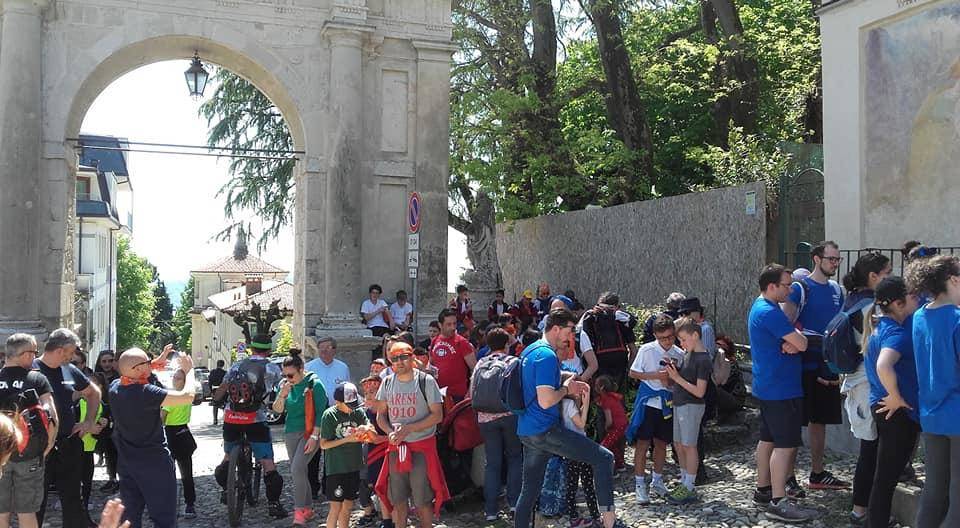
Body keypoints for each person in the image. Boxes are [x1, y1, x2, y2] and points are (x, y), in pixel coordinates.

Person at [514, 308, 625, 528]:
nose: (571, 337)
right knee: (603, 458)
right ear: (556, 329)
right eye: (570, 331)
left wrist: (566, 378)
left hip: (527, 430)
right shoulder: (547, 356)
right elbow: (546, 400)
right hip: (546, 430)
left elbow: (532, 383)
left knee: (529, 489)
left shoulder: (531, 350)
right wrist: (567, 389)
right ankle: (610, 523)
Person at [748, 265, 814, 523]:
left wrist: (793, 342)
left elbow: (794, 343)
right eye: (786, 284)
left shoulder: (761, 306)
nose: (791, 288)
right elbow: (803, 343)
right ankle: (778, 501)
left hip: (768, 385)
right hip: (781, 388)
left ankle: (763, 489)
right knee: (785, 446)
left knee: (768, 439)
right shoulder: (770, 312)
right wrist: (797, 341)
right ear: (772, 286)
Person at [781, 241, 848, 491]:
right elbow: (786, 323)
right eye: (832, 259)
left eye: (838, 259)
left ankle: (817, 473)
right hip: (801, 367)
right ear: (817, 259)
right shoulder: (800, 288)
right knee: (796, 423)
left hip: (826, 366)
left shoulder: (837, 290)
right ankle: (788, 478)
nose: (835, 263)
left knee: (820, 421)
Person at [109, 348, 197, 528]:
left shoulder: (115, 387)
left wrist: (154, 363)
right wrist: (189, 372)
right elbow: (186, 397)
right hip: (155, 463)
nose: (151, 366)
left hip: (127, 464)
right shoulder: (146, 392)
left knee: (129, 519)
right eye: (147, 364)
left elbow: (132, 371)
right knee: (164, 519)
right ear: (138, 369)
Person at [859, 277, 920, 528]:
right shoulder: (895, 333)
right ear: (898, 303)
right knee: (885, 480)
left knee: (884, 477)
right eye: (913, 296)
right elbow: (884, 364)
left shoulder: (881, 326)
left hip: (884, 410)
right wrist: (896, 396)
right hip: (894, 413)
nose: (917, 298)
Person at [905, 255, 960, 528]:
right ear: (954, 280)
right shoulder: (957, 319)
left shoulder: (919, 316)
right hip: (957, 414)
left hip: (930, 414)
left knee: (934, 490)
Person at [212, 335, 288, 519]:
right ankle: (274, 504)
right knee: (267, 463)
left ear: (251, 348)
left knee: (228, 457)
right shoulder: (272, 368)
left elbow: (223, 387)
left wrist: (216, 401)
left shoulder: (237, 365)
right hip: (256, 418)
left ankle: (226, 488)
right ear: (269, 350)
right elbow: (280, 387)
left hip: (232, 418)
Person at [374, 343, 449, 528]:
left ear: (412, 357)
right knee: (398, 501)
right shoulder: (387, 382)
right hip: (396, 449)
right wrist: (390, 432)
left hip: (421, 448)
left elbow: (437, 415)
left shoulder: (426, 381)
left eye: (403, 357)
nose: (399, 362)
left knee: (422, 501)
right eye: (394, 358)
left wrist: (409, 428)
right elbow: (380, 415)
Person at [842, 253, 892, 522]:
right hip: (866, 382)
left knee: (870, 450)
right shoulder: (868, 307)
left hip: (858, 382)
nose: (891, 278)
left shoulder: (851, 298)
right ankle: (860, 510)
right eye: (887, 273)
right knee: (870, 451)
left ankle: (864, 508)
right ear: (873, 277)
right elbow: (878, 346)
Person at [35, 328, 101, 528]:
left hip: (68, 442)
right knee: (36, 501)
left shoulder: (70, 370)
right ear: (61, 349)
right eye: (71, 352)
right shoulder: (31, 369)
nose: (73, 356)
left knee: (73, 498)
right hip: (39, 446)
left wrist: (89, 421)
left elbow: (94, 392)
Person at [0, 334, 58, 528]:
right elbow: (51, 415)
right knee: (27, 512)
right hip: (30, 454)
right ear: (25, 354)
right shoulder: (36, 379)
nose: (35, 357)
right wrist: (47, 446)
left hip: (0, 455)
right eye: (34, 353)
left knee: (1, 513)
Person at [627, 314, 683, 503]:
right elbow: (633, 372)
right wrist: (655, 376)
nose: (667, 341)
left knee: (661, 443)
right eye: (662, 338)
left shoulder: (679, 353)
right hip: (649, 401)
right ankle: (640, 484)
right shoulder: (647, 350)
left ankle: (657, 480)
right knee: (643, 443)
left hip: (667, 403)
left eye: (670, 337)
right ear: (655, 336)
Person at [470, 328, 522, 521]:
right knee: (515, 457)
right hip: (510, 416)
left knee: (492, 463)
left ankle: (491, 510)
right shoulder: (513, 362)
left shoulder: (481, 363)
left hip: (485, 418)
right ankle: (514, 503)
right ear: (507, 344)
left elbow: (472, 391)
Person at [272, 350, 327, 525]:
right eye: (285, 375)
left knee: (296, 469)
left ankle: (299, 512)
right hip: (291, 432)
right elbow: (277, 410)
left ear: (301, 369)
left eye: (291, 375)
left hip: (310, 432)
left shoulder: (314, 384)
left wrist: (314, 436)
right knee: (300, 471)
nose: (288, 378)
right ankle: (308, 508)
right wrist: (282, 394)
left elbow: (321, 412)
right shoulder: (285, 385)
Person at [663, 317, 713, 504]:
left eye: (683, 339)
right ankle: (685, 480)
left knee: (689, 445)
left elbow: (700, 391)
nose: (681, 344)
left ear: (695, 335)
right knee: (678, 444)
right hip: (680, 403)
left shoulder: (703, 358)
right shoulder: (687, 354)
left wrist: (676, 377)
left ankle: (690, 485)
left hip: (692, 405)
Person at [320, 383, 371, 528]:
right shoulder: (329, 415)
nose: (352, 408)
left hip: (354, 466)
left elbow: (369, 426)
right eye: (349, 405)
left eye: (354, 404)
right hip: (336, 468)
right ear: (337, 402)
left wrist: (366, 428)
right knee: (336, 507)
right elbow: (323, 444)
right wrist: (346, 439)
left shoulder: (357, 412)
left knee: (348, 506)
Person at [160, 369, 198, 519]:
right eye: (174, 377)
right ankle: (190, 504)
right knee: (186, 473)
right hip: (184, 432)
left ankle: (169, 506)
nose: (175, 380)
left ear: (184, 381)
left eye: (178, 378)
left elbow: (162, 417)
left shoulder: (173, 398)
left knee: (169, 474)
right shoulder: (187, 396)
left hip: (172, 433)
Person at [579, 292, 637, 390]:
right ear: (617, 306)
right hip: (620, 363)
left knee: (600, 397)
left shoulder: (592, 318)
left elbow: (582, 342)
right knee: (618, 398)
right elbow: (633, 350)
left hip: (598, 363)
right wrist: (628, 371)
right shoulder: (622, 320)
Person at [561, 386, 600, 527]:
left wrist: (582, 404)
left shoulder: (559, 404)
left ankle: (573, 516)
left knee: (571, 484)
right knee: (587, 482)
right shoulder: (569, 404)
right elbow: (581, 425)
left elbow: (576, 421)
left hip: (568, 447)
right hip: (580, 447)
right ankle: (596, 516)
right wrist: (587, 401)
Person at [359, 375, 391, 528]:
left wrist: (381, 438)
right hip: (373, 454)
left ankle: (394, 518)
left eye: (373, 391)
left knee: (391, 486)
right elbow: (371, 438)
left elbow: (378, 438)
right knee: (379, 487)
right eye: (366, 393)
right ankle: (386, 519)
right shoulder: (365, 413)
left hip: (389, 452)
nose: (369, 395)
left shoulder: (389, 410)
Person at [429, 308, 477, 401]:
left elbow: (475, 369)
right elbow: (431, 365)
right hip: (438, 394)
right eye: (449, 324)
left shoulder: (462, 342)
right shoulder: (435, 341)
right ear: (440, 325)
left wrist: (470, 392)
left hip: (458, 395)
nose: (453, 327)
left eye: (454, 323)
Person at [79, 374, 107, 526]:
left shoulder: (101, 405)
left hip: (89, 449)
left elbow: (103, 426)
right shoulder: (77, 404)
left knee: (87, 484)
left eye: (96, 386)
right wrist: (88, 428)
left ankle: (85, 516)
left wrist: (103, 424)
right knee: (75, 485)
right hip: (75, 449)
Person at [593, 375, 627, 474]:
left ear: (602, 388)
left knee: (604, 447)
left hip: (616, 427)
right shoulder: (613, 396)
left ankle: (610, 471)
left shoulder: (606, 400)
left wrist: (606, 427)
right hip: (623, 425)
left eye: (596, 385)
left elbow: (609, 420)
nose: (594, 388)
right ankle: (620, 465)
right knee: (613, 446)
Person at [305, 337, 351, 405]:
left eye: (328, 347)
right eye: (321, 347)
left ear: (334, 350)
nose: (324, 350)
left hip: (337, 409)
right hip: (316, 409)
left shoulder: (343, 368)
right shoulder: (308, 367)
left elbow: (348, 389)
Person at [712, 335, 746, 422]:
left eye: (721, 345)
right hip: (725, 397)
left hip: (735, 399)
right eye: (716, 344)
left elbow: (722, 383)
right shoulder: (716, 361)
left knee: (712, 388)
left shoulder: (731, 364)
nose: (718, 347)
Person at [208, 359, 227, 425]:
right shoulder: (225, 372)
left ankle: (215, 420)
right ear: (223, 365)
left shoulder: (213, 372)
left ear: (217, 364)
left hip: (215, 390)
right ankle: (225, 419)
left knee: (215, 405)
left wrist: (211, 391)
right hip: (223, 390)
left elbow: (209, 382)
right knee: (224, 405)